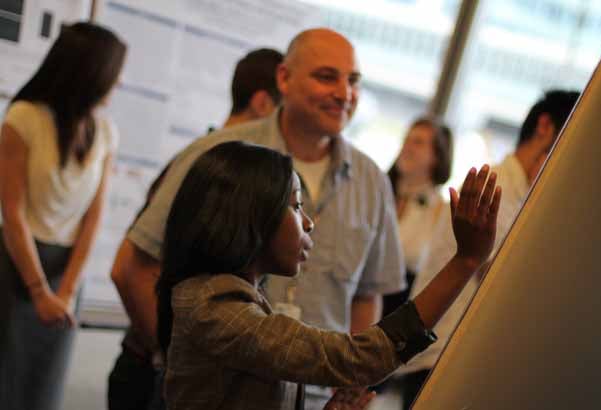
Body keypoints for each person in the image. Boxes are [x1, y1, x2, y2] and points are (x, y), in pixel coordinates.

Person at [111, 28, 409, 409]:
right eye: (326, 76)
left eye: (353, 81)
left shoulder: (373, 182)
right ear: (284, 78)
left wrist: (351, 386)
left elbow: (367, 295)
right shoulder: (221, 155)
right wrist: (183, 358)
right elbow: (132, 268)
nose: (343, 93)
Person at [157, 140, 501, 410]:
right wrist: (465, 262)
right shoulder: (216, 308)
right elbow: (358, 359)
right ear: (251, 216)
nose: (308, 222)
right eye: (294, 206)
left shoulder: (238, 299)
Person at [108, 47, 284, 410]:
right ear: (264, 103)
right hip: (153, 374)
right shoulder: (210, 167)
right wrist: (174, 359)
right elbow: (128, 269)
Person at [400, 89, 580, 408]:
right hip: (439, 360)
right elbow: (505, 284)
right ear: (545, 127)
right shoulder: (493, 185)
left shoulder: (524, 195)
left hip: (459, 360)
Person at [0, 22, 126, 410]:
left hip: (67, 272)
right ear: (91, 72)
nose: (118, 83)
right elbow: (12, 213)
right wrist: (39, 291)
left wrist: (66, 291)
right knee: (7, 381)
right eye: (115, 73)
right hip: (17, 265)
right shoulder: (24, 118)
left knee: (45, 389)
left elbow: (94, 215)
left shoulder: (105, 132)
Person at [382, 116, 453, 316]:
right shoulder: (379, 192)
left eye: (418, 142)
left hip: (397, 312)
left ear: (437, 156)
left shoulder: (441, 211)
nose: (407, 147)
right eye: (406, 140)